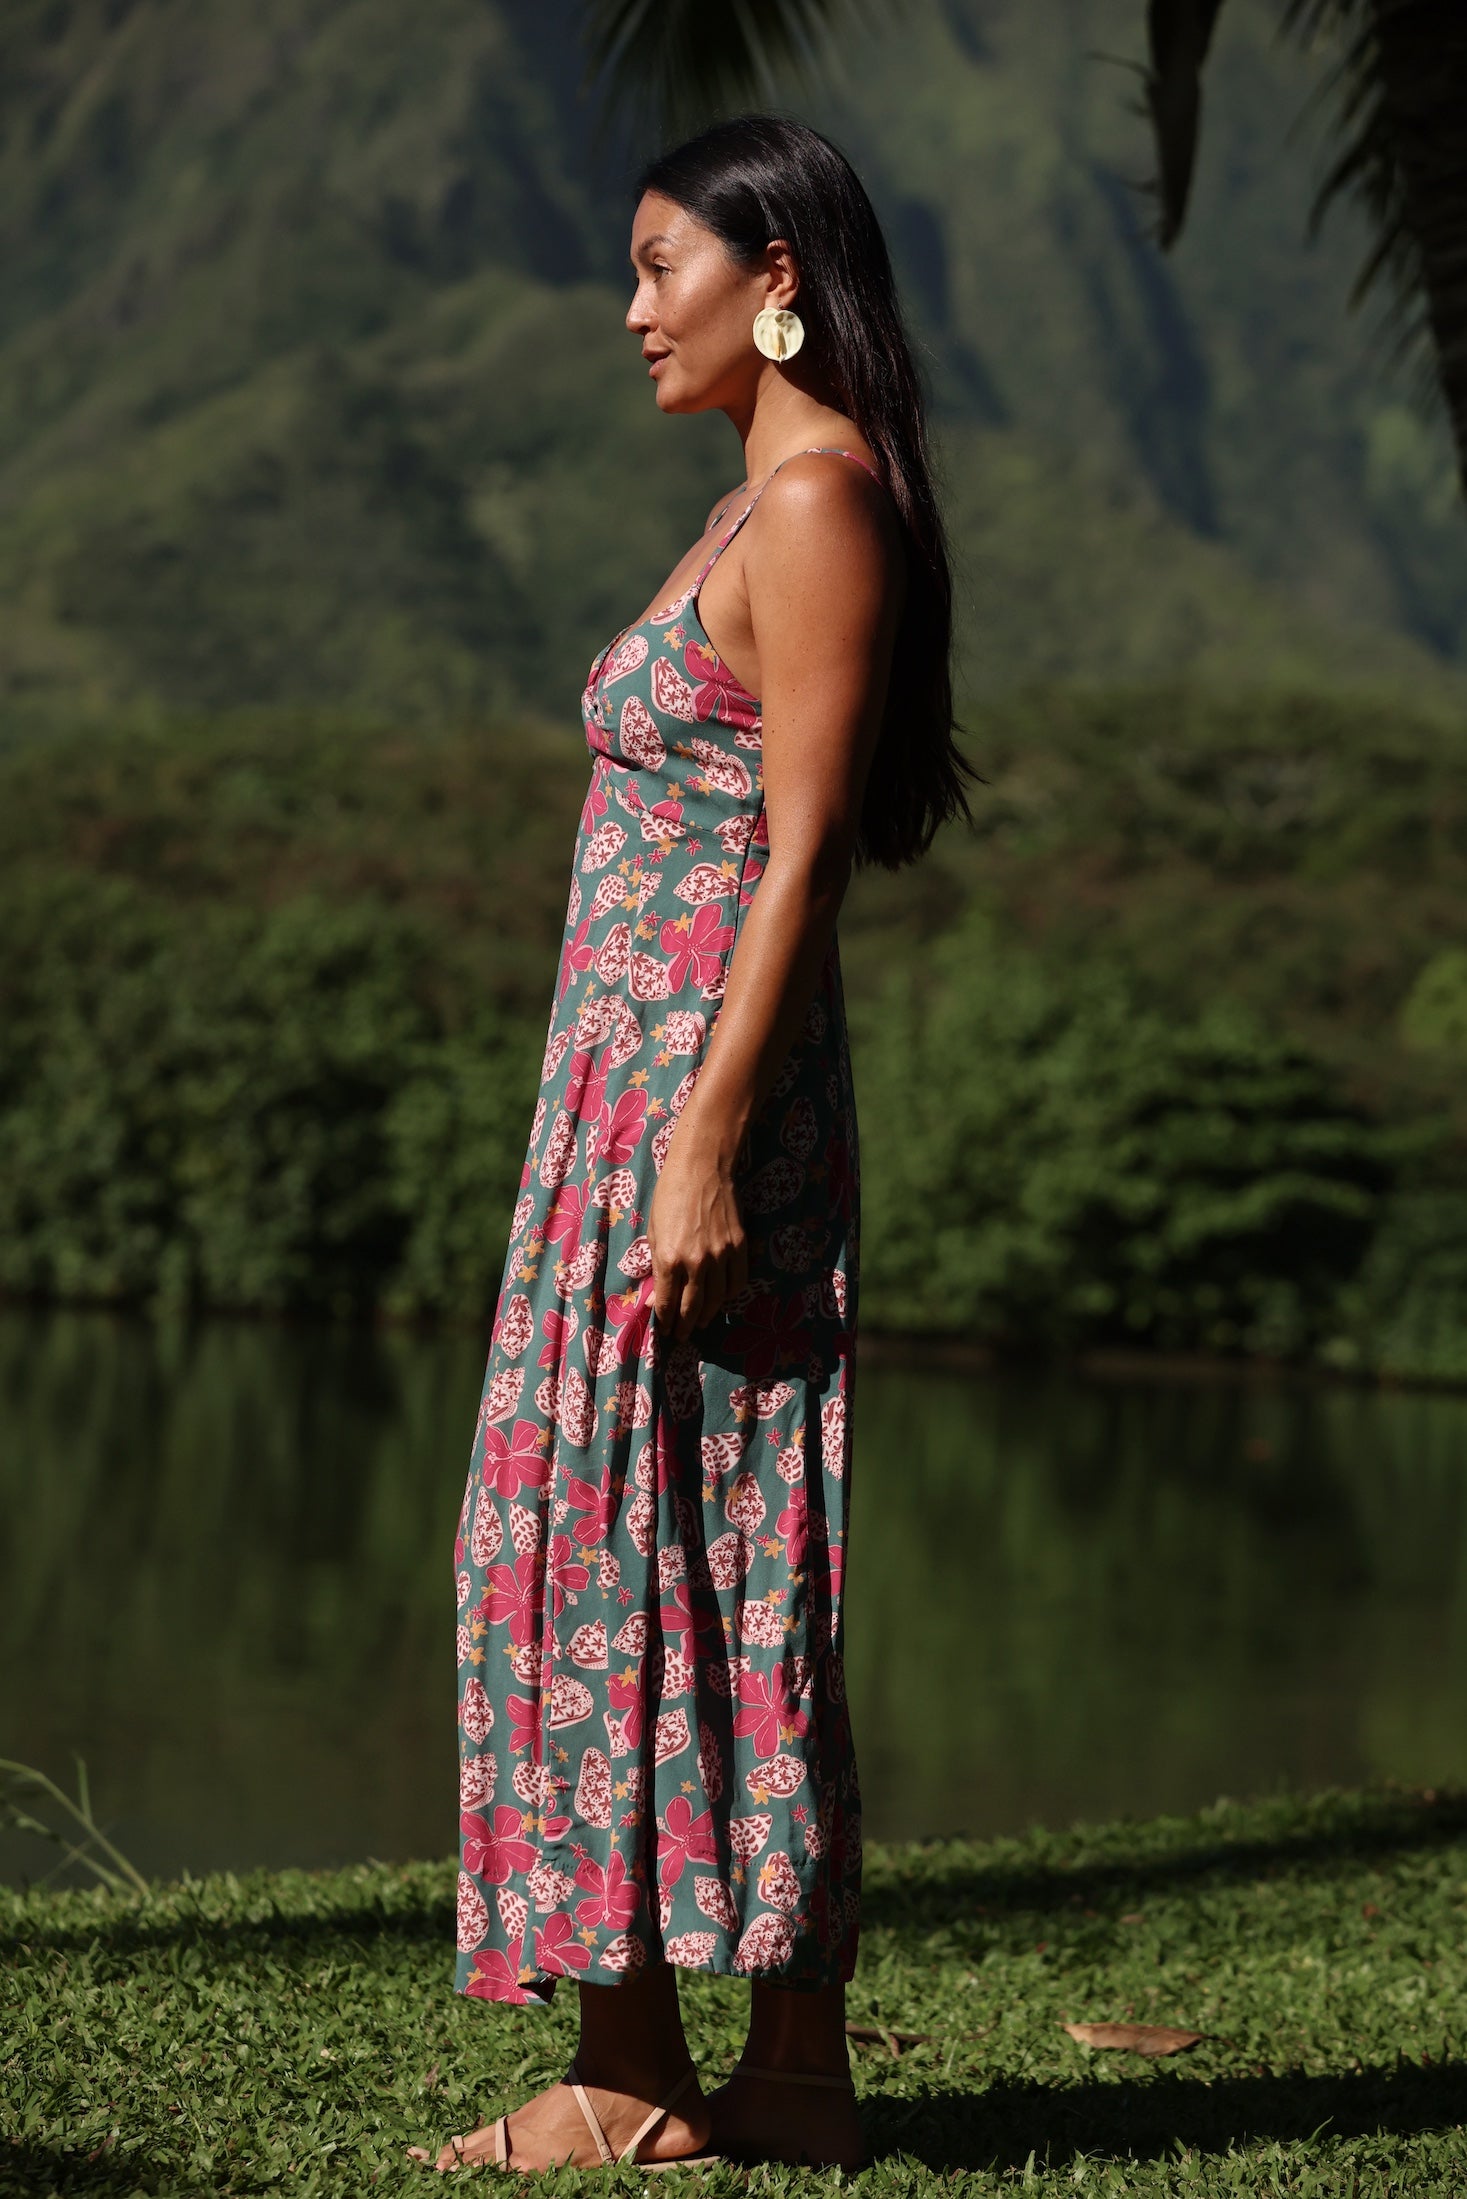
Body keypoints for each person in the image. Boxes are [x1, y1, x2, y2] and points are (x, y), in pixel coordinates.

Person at [415, 112, 972, 2176]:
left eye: (663, 263)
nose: (629, 305)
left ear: (780, 283)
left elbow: (805, 846)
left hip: (703, 1116)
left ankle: (787, 2067)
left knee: (729, 1553)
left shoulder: (818, 501)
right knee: (576, 1547)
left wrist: (702, 1139)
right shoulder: (741, 508)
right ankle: (632, 2054)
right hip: (620, 1103)